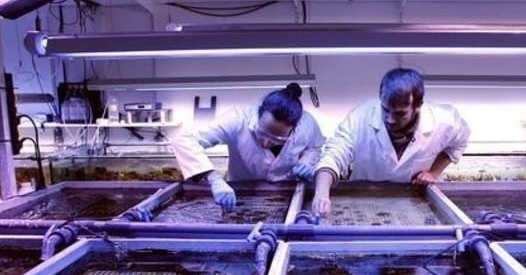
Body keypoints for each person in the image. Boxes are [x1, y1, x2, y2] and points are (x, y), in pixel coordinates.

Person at [311, 68, 470, 217]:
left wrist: (433, 172)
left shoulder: (443, 120)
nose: (390, 119)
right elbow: (334, 154)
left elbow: (459, 142)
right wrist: (321, 194)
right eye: (385, 109)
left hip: (414, 201)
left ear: (418, 106)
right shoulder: (361, 116)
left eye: (400, 114)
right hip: (363, 197)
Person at [172, 83, 325, 212]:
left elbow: (314, 148)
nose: (266, 143)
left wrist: (307, 162)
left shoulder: (308, 125)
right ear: (258, 116)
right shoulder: (237, 119)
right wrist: (215, 179)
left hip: (288, 195)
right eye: (261, 134)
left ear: (294, 128)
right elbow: (183, 140)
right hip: (239, 196)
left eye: (277, 139)